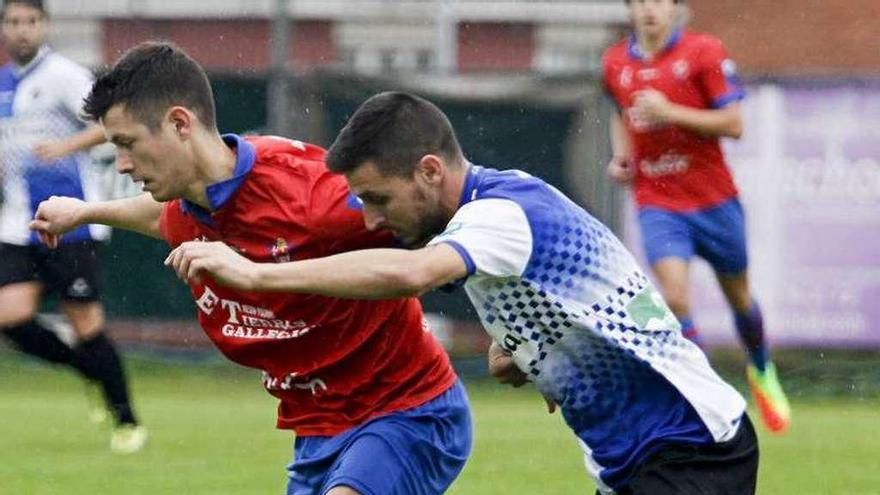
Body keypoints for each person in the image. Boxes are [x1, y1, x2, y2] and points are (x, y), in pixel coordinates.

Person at [165, 91, 759, 495]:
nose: (369, 220)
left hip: (688, 444)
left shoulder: (497, 217)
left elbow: (409, 275)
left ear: (428, 171)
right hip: (639, 456)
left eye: (377, 199)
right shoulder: (496, 207)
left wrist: (254, 273)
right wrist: (532, 352)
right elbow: (594, 289)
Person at [31, 43, 471, 495]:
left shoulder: (308, 194)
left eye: (127, 144)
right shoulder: (187, 207)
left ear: (180, 123)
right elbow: (158, 217)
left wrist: (514, 326)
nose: (121, 164)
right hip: (318, 435)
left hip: (407, 412)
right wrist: (86, 212)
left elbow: (457, 217)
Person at [600, 0, 790, 434]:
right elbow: (619, 113)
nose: (649, 10)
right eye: (640, 2)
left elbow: (734, 123)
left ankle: (761, 370)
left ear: (675, 8)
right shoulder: (614, 62)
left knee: (740, 298)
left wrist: (670, 113)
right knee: (676, 297)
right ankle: (707, 393)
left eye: (659, 1)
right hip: (658, 201)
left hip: (714, 200)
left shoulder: (702, 53)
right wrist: (622, 158)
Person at [0, 0, 145, 453]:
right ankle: (88, 369)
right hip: (18, 220)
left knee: (86, 322)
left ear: (45, 26)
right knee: (9, 317)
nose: (23, 30)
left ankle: (126, 419)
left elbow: (112, 122)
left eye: (31, 21)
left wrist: (67, 145)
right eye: (14, 22)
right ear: (3, 28)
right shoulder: (4, 81)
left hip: (72, 220)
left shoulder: (63, 75)